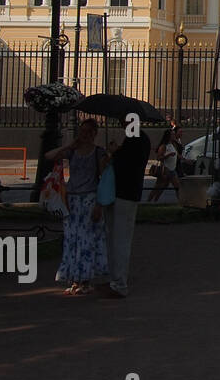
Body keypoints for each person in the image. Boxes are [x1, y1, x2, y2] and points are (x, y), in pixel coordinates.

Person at [45, 118, 108, 296]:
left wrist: (99, 205)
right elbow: (49, 156)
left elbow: (104, 180)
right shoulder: (72, 152)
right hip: (72, 200)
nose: (85, 135)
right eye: (82, 131)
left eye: (89, 132)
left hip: (89, 198)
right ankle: (74, 279)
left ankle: (85, 279)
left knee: (86, 241)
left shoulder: (99, 153)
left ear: (95, 134)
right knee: (72, 239)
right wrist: (69, 146)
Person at [102, 123, 152, 299]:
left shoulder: (134, 140)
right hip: (128, 193)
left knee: (118, 240)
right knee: (117, 238)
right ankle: (115, 279)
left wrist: (115, 151)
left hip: (123, 193)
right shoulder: (141, 139)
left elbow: (125, 165)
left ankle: (118, 282)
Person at [148, 127, 180, 202]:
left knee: (177, 187)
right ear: (168, 136)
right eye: (172, 134)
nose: (174, 135)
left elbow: (177, 155)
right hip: (165, 170)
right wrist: (168, 155)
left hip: (172, 170)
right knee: (158, 187)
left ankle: (181, 202)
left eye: (174, 134)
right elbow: (159, 158)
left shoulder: (173, 144)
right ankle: (149, 201)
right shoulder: (163, 146)